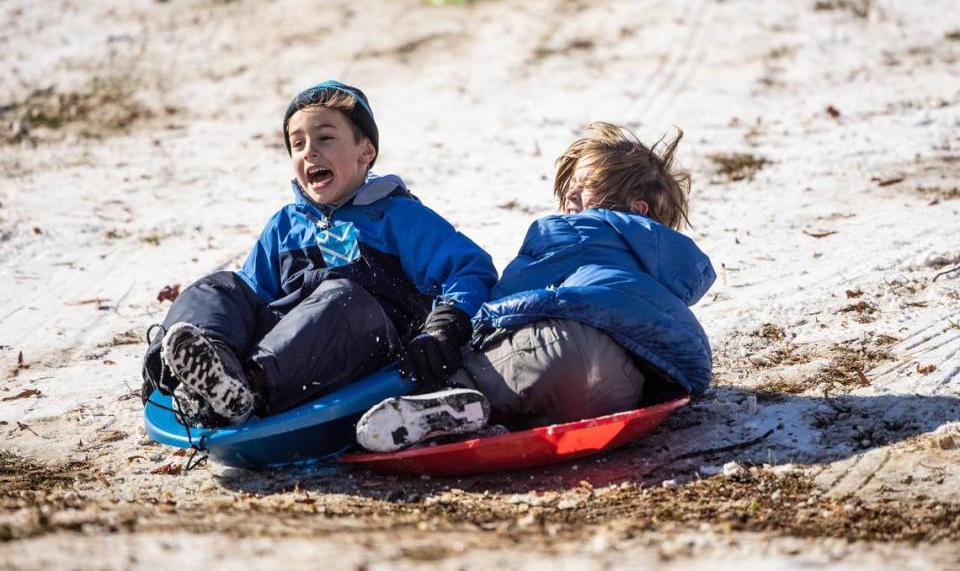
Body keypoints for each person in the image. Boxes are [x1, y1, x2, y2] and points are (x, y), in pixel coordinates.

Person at [141, 80, 497, 428]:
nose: (309, 151)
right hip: (293, 353)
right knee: (219, 286)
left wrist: (443, 327)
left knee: (341, 296)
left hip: (370, 348)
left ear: (365, 152)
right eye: (298, 144)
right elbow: (252, 296)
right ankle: (205, 371)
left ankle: (247, 387)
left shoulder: (395, 216)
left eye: (325, 138)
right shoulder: (285, 225)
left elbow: (470, 269)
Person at [356, 122, 716, 452]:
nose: (567, 205)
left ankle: (444, 397)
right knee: (541, 388)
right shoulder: (664, 271)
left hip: (574, 352)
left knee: (496, 358)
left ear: (638, 211)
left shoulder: (577, 230)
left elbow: (510, 298)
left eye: (580, 194)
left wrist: (467, 333)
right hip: (629, 389)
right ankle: (481, 418)